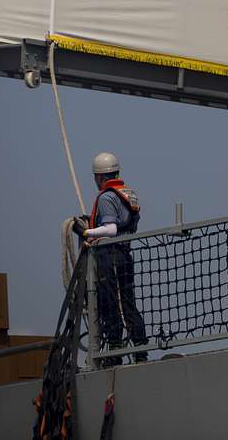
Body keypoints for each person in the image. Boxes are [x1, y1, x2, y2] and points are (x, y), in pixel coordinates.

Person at [78, 153, 148, 365]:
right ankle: (140, 350)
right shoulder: (129, 195)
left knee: (110, 304)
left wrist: (87, 233)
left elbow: (110, 229)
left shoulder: (106, 198)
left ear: (100, 177)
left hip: (109, 257)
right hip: (125, 255)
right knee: (128, 304)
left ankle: (115, 352)